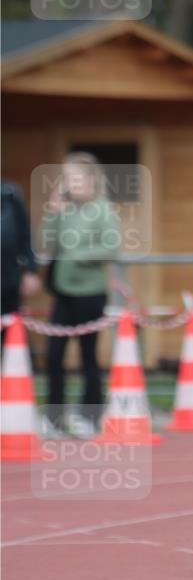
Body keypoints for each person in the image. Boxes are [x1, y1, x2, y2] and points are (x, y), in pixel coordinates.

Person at [41, 152, 120, 436]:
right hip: (63, 292)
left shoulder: (102, 209)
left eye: (74, 178)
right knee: (53, 356)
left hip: (90, 293)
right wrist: (53, 212)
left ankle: (90, 417)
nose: (69, 184)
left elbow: (111, 247)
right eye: (66, 178)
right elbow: (47, 241)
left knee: (88, 357)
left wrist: (77, 255)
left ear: (89, 180)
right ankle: (54, 418)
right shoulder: (66, 209)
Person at [1, 179, 41, 334]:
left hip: (8, 281)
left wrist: (30, 270)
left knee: (11, 334)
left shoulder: (10, 193)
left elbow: (25, 235)